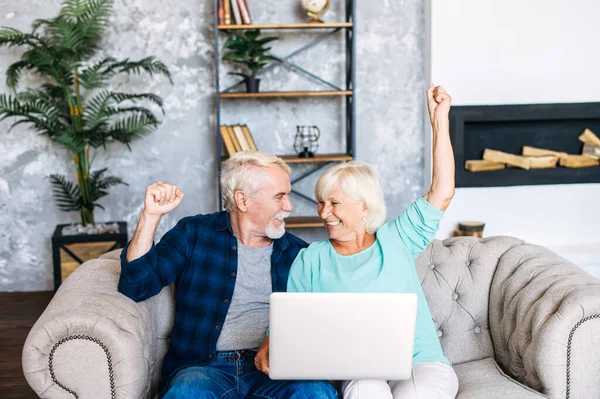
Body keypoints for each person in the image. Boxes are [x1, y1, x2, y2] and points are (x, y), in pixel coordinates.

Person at [254, 85, 459, 398]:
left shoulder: (398, 238)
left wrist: (439, 121)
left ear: (364, 207)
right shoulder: (311, 259)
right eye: (321, 203)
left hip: (422, 363)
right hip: (360, 369)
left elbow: (442, 190)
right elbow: (290, 323)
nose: (324, 213)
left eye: (334, 203)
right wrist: (270, 343)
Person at [118, 151, 338, 398]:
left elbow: (322, 319)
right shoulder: (194, 233)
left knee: (316, 391)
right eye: (280, 197)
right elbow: (135, 286)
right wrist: (150, 217)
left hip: (272, 370)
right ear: (243, 200)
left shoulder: (299, 253)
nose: (289, 206)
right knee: (188, 392)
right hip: (204, 369)